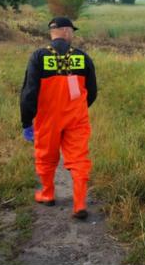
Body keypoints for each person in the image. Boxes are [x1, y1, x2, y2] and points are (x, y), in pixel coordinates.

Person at [20, 17, 98, 220]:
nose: (73, 34)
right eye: (72, 31)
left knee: (46, 156)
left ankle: (47, 195)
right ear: (65, 31)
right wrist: (78, 108)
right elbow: (92, 91)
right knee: (79, 158)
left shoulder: (38, 57)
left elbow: (29, 92)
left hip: (47, 118)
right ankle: (79, 203)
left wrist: (27, 121)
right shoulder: (82, 57)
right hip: (77, 118)